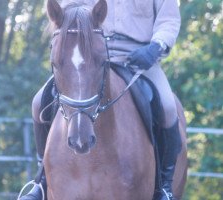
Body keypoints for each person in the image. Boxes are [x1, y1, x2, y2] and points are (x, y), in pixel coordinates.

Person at [20, 0, 182, 199]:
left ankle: (164, 187)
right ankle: (42, 181)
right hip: (88, 52)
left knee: (167, 107)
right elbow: (67, 10)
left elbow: (169, 20)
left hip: (139, 58)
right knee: (39, 103)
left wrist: (156, 46)